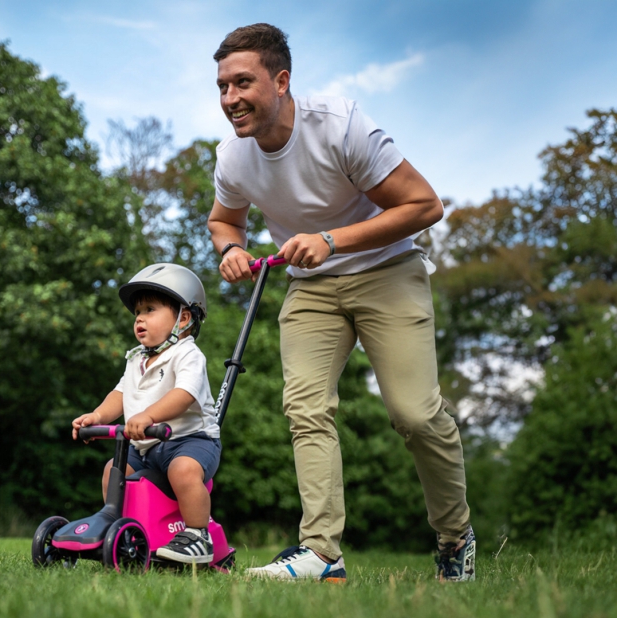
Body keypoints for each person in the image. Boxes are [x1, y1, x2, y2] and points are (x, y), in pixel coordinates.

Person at [206, 24, 475, 582]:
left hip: (387, 272)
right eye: (223, 86)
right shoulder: (234, 156)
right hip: (311, 289)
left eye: (243, 83)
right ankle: (322, 554)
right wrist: (230, 248)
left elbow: (425, 205)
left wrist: (330, 240)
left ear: (281, 81)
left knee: (416, 415)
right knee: (305, 410)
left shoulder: (340, 126)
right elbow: (223, 219)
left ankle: (455, 537)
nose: (231, 99)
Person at [72, 263, 221, 564]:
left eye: (150, 309)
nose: (139, 318)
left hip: (191, 441)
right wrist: (98, 416)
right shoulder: (136, 358)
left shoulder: (187, 353)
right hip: (147, 445)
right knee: (113, 472)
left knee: (183, 471)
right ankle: (122, 530)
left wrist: (149, 416)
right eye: (138, 312)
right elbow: (121, 394)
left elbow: (184, 394)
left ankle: (197, 536)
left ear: (184, 318)